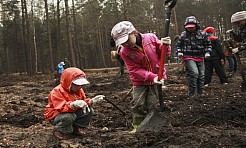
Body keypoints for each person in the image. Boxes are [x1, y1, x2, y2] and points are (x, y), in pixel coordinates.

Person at [111, 21, 171, 133]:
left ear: (134, 32)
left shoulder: (151, 38)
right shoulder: (124, 52)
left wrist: (166, 46)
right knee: (138, 103)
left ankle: (150, 127)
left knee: (153, 103)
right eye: (122, 43)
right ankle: (137, 126)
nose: (126, 44)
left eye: (127, 40)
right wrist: (151, 76)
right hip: (139, 81)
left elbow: (163, 53)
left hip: (157, 78)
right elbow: (134, 70)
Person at [44, 67, 105, 140]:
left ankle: (74, 128)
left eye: (81, 85)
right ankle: (60, 130)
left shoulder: (79, 90)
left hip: (71, 112)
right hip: (56, 115)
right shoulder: (56, 91)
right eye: (76, 84)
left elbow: (83, 102)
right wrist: (73, 104)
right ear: (68, 82)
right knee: (69, 116)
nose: (79, 87)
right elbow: (61, 107)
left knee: (89, 110)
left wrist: (90, 101)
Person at [175, 16, 212, 97]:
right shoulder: (183, 35)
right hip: (188, 56)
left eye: (192, 27)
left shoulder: (203, 34)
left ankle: (200, 92)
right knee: (195, 73)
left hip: (200, 56)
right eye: (188, 27)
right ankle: (192, 93)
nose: (190, 29)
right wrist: (179, 52)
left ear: (196, 26)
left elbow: (208, 45)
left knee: (201, 75)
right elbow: (178, 45)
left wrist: (207, 52)